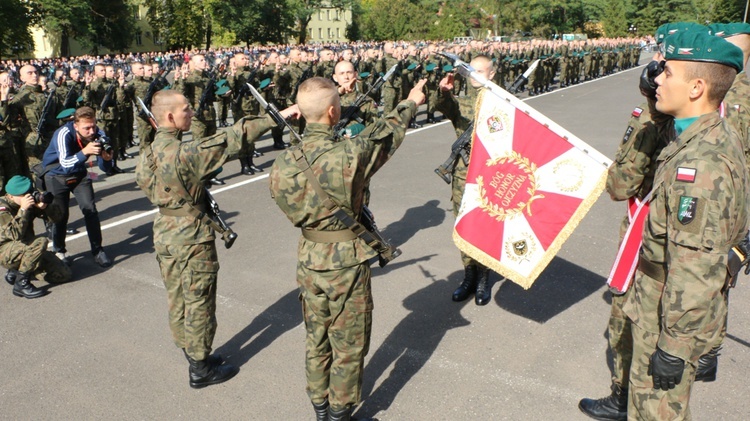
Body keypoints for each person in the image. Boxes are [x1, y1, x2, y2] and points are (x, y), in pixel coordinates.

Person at [578, 23, 719, 421]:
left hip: (665, 278)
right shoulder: (681, 123)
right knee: (635, 354)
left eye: (666, 66)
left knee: (659, 397)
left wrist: (682, 343)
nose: (657, 73)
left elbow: (622, 184)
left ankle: (631, 397)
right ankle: (624, 396)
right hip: (649, 252)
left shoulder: (699, 146)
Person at [269, 77, 426, 421]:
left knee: (316, 335)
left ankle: (320, 406)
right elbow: (387, 133)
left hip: (309, 258)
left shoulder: (283, 162)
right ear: (332, 111)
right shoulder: (348, 155)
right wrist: (412, 100)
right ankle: (340, 412)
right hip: (345, 263)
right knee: (348, 342)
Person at [621, 30, 748, 419]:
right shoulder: (704, 134)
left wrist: (674, 348)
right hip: (662, 307)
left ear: (696, 87)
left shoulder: (702, 165)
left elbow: (695, 267)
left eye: (667, 73)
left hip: (668, 317)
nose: (656, 78)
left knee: (656, 413)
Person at [134, 90, 298, 388]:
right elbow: (233, 138)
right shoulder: (186, 153)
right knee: (199, 299)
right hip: (191, 235)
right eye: (186, 109)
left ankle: (191, 350)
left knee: (178, 295)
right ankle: (200, 368)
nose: (192, 113)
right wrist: (278, 117)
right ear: (170, 117)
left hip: (165, 230)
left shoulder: (146, 154)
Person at [437, 55, 496, 306]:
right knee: (464, 226)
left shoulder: (502, 102)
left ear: (491, 74)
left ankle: (483, 276)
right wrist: (442, 92)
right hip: (463, 175)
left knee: (485, 226)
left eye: (480, 71)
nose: (475, 75)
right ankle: (468, 274)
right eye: (471, 71)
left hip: (490, 175)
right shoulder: (460, 102)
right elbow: (441, 106)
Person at [41, 106, 113, 268]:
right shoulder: (62, 134)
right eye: (86, 128)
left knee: (90, 209)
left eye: (93, 126)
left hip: (79, 173)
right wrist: (85, 152)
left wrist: (107, 159)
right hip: (56, 174)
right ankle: (59, 250)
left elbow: (106, 169)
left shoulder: (98, 134)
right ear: (75, 126)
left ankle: (98, 250)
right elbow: (65, 163)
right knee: (60, 215)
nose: (91, 131)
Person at [0, 175, 72, 298]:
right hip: (5, 251)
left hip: (28, 248)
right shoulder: (3, 209)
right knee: (41, 241)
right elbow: (14, 235)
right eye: (23, 195)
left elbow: (57, 219)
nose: (28, 197)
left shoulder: (30, 201)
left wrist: (45, 208)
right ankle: (21, 283)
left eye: (29, 193)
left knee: (64, 274)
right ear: (10, 196)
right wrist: (23, 209)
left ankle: (20, 270)